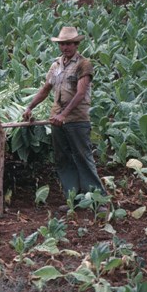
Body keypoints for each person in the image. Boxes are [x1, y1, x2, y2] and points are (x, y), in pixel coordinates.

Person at [22, 26, 106, 206]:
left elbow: (81, 93)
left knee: (83, 158)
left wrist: (64, 115)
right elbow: (46, 89)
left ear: (76, 44)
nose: (65, 48)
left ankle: (98, 201)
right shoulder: (56, 65)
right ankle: (74, 200)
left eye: (68, 44)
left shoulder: (84, 64)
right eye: (62, 44)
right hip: (57, 121)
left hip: (76, 120)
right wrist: (30, 107)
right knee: (63, 160)